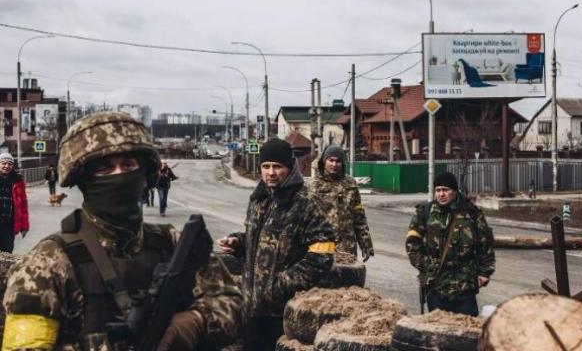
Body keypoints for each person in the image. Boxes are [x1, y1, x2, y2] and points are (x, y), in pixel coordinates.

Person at [2, 113, 243, 351]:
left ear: (145, 173)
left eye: (128, 165)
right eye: (105, 168)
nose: (119, 175)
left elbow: (232, 304)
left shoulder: (173, 244)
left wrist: (193, 323)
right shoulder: (47, 262)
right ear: (84, 179)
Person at [217, 139, 335, 351]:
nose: (271, 172)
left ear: (289, 168)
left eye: (277, 167)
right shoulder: (259, 199)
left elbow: (322, 254)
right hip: (252, 306)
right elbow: (262, 239)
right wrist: (239, 242)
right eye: (266, 166)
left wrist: (281, 285)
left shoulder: (305, 203)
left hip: (282, 312)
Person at [405, 172, 495, 317]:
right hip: (436, 284)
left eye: (445, 190)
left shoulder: (471, 213)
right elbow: (412, 243)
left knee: (466, 330)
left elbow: (485, 244)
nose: (441, 194)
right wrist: (425, 265)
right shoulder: (425, 212)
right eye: (438, 190)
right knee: (438, 329)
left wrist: (485, 272)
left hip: (465, 284)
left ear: (455, 191)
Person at [307, 145, 374, 262]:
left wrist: (366, 243)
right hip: (320, 246)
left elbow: (359, 217)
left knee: (347, 279)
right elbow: (303, 218)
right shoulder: (313, 185)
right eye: (331, 160)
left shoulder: (350, 184)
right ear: (324, 161)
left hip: (346, 247)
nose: (334, 164)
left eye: (338, 161)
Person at [0, 153, 28, 253]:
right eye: (3, 163)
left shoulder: (18, 181)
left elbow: (23, 206)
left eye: (10, 164)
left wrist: (24, 226)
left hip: (8, 226)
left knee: (7, 254)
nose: (7, 166)